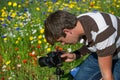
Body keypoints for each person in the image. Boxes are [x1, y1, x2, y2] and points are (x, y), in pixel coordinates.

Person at [44, 10, 120, 80]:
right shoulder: (79, 22)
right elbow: (94, 43)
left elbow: (107, 76)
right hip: (103, 52)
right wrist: (75, 55)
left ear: (67, 31)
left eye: (61, 41)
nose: (63, 44)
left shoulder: (102, 32)